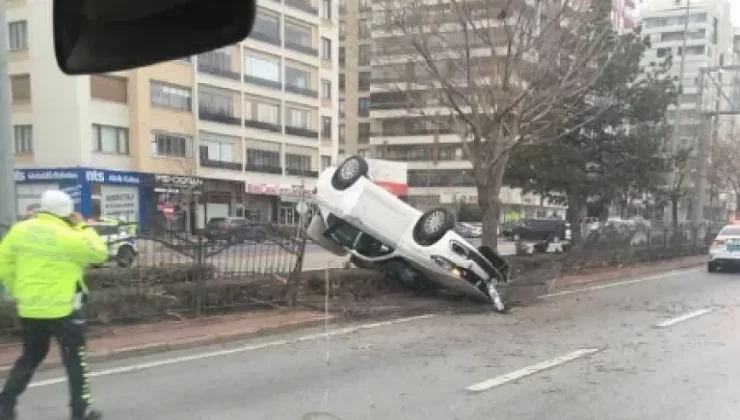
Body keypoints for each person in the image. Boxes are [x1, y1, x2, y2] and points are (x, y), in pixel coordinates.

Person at [0, 190, 109, 420]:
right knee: (75, 360)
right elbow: (99, 253)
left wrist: (18, 290)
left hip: (30, 308)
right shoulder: (68, 234)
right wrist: (82, 226)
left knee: (30, 357)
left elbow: (4, 264)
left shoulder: (20, 230)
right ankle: (80, 410)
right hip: (64, 310)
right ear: (67, 212)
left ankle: (5, 404)